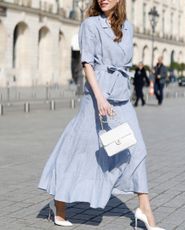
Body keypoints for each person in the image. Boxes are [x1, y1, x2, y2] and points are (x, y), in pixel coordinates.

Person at [38, 1, 165, 229]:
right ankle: (59, 205)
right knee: (81, 151)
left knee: (137, 150)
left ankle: (144, 209)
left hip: (122, 97)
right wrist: (99, 98)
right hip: (98, 97)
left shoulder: (128, 26)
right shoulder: (90, 25)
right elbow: (87, 63)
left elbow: (124, 63)